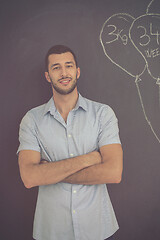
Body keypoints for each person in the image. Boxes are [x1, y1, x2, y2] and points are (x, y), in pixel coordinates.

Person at [17, 45, 123, 240]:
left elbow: (114, 173)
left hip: (97, 228)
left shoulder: (102, 114)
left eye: (69, 66)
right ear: (48, 76)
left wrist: (51, 173)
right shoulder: (32, 120)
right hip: (52, 231)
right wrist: (90, 158)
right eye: (56, 67)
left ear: (78, 72)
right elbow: (30, 177)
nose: (64, 72)